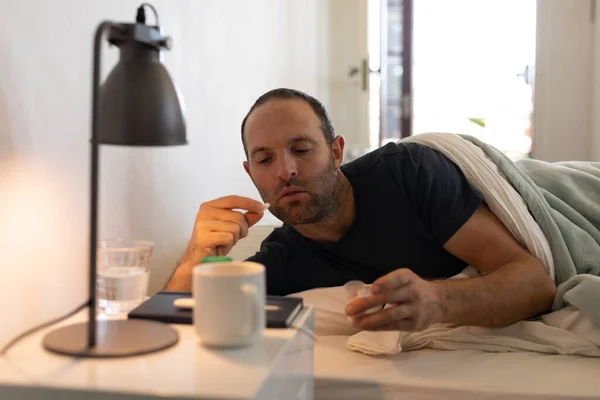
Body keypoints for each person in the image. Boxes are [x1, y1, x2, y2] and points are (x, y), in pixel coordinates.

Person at [166, 88, 556, 332]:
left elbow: (535, 282)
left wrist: (439, 302)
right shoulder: (284, 258)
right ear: (251, 174)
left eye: (302, 150)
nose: (286, 171)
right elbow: (173, 322)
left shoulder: (412, 173)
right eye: (265, 159)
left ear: (336, 152)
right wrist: (193, 258)